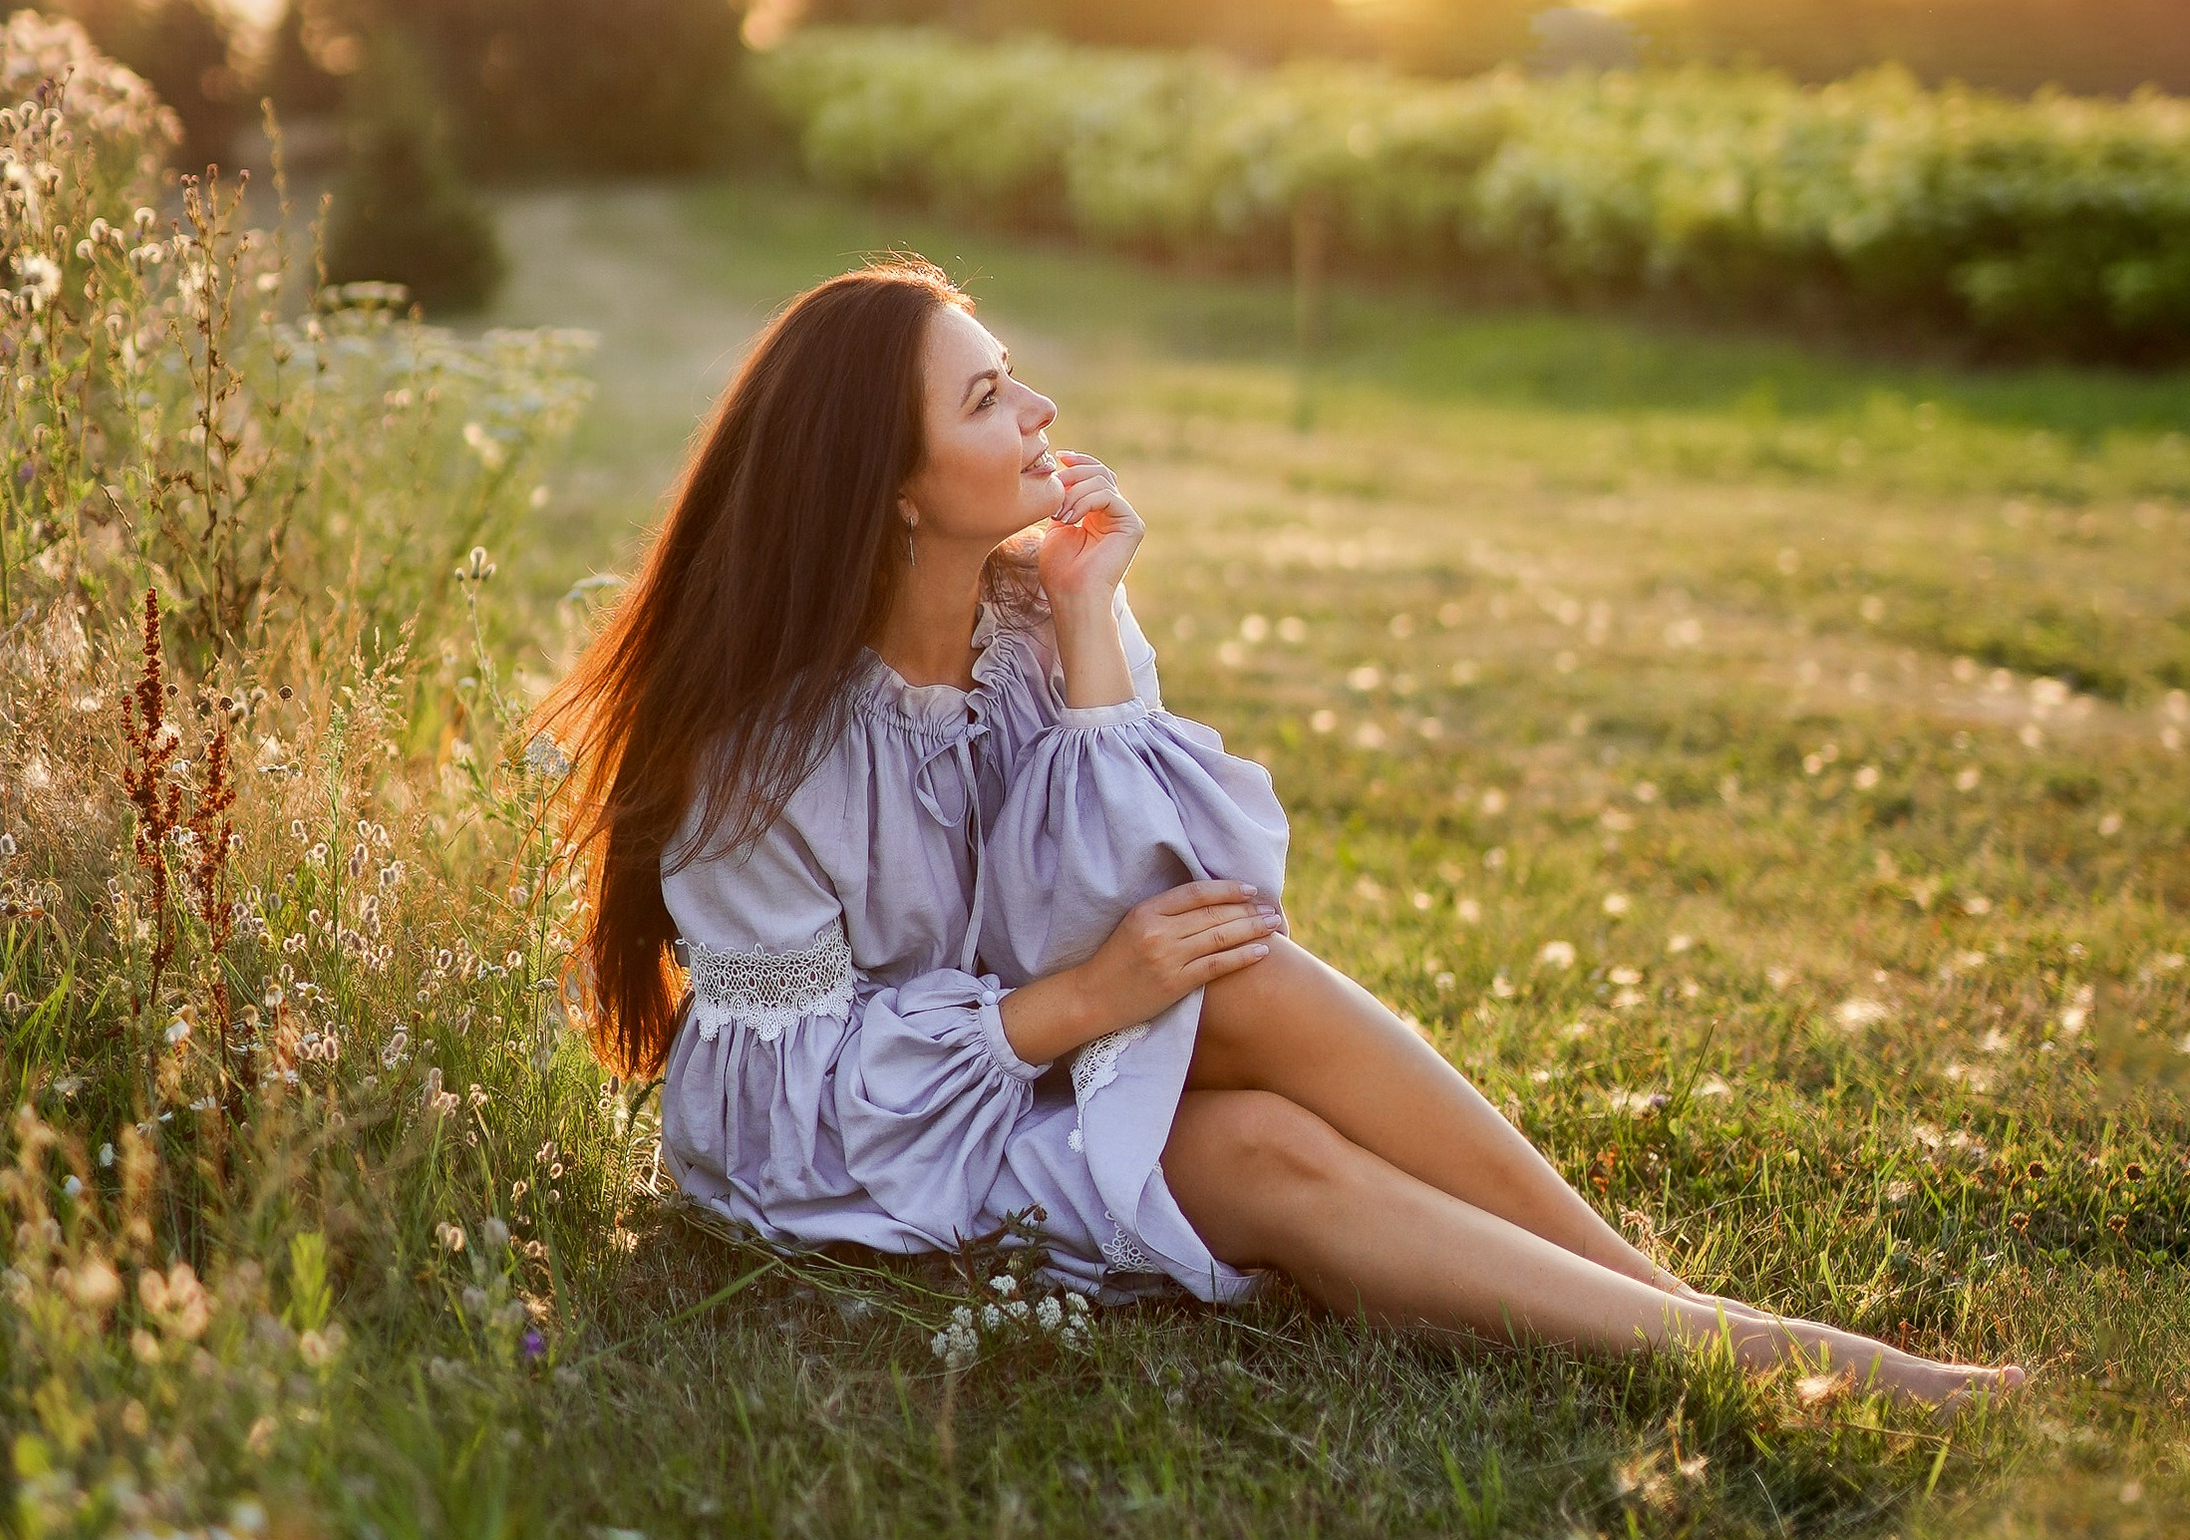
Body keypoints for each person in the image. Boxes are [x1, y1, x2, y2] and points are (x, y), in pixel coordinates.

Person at [546, 259, 2018, 1404]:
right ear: (891, 491)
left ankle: (1691, 1313)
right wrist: (1073, 1006)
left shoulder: (1027, 619)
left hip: (1034, 1057)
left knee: (1235, 967)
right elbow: (781, 1095)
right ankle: (1744, 1356)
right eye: (988, 398)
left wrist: (1085, 618)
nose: (1042, 412)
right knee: (1256, 1155)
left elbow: (1169, 892)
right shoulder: (761, 760)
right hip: (871, 1154)